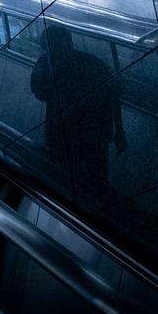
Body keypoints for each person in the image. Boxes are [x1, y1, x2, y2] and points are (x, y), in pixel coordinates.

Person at [30, 24, 127, 202]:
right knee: (96, 180)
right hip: (95, 132)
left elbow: (38, 92)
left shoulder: (45, 63)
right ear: (70, 42)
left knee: (63, 177)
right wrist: (119, 131)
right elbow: (113, 97)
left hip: (62, 132)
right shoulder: (93, 64)